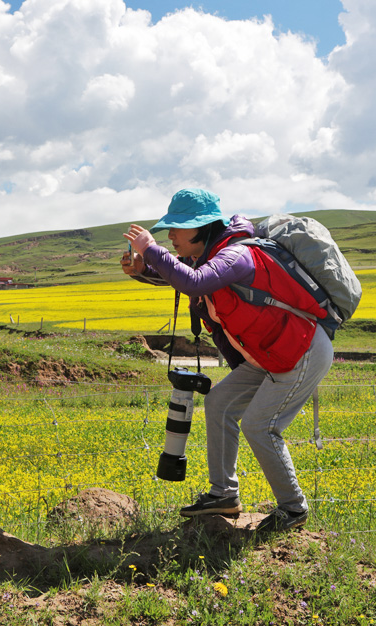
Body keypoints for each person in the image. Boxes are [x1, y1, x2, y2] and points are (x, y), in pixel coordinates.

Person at [121, 188, 333, 532]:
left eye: (179, 226)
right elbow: (183, 275)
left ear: (203, 227)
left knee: (260, 425)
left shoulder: (237, 256)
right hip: (271, 351)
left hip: (301, 350)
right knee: (219, 403)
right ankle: (224, 494)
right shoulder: (211, 256)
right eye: (169, 229)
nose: (172, 235)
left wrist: (152, 248)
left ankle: (293, 509)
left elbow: (194, 282)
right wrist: (143, 269)